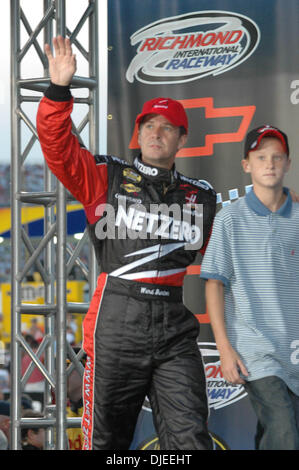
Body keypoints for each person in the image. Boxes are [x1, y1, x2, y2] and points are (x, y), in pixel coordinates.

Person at [36, 36, 216, 450]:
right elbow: (59, 149)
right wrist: (59, 90)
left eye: (167, 128)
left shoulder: (200, 196)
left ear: (181, 140)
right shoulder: (107, 176)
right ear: (137, 133)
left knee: (191, 442)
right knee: (104, 443)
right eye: (149, 126)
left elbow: (228, 254)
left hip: (174, 326)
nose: (157, 133)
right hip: (116, 321)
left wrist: (279, 203)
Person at [200, 125, 299, 450]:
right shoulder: (231, 219)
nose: (269, 164)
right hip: (255, 349)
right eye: (260, 158)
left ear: (287, 163)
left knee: (282, 431)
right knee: (283, 431)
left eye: (277, 157)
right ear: (246, 165)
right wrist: (225, 349)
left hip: (296, 349)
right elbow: (214, 283)